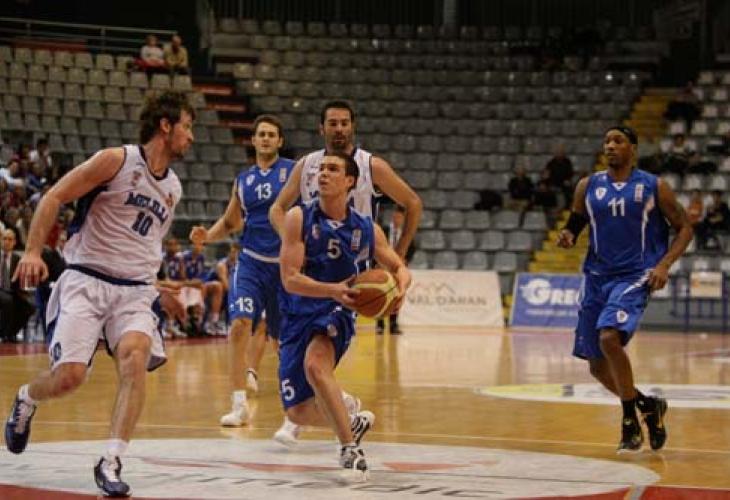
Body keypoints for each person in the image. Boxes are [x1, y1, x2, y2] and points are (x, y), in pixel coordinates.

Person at [4, 90, 194, 497]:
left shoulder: (174, 188)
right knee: (70, 377)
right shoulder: (116, 160)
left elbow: (144, 244)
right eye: (187, 126)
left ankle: (111, 460)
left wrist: (156, 285)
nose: (191, 136)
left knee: (135, 359)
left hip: (135, 292)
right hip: (87, 279)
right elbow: (54, 196)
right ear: (165, 125)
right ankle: (27, 398)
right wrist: (33, 251)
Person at [269, 99, 422, 442]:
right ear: (321, 128)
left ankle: (340, 438)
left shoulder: (370, 166)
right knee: (293, 356)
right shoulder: (307, 165)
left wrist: (398, 257)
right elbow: (277, 209)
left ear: (352, 127)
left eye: (344, 123)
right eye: (332, 123)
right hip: (306, 275)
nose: (338, 129)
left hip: (350, 277)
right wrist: (292, 241)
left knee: (316, 360)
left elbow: (412, 203)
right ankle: (322, 410)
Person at [557, 126, 692, 453]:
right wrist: (569, 234)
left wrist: (664, 265)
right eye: (606, 141)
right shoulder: (587, 186)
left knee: (609, 338)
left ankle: (629, 419)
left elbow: (685, 228)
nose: (610, 146)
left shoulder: (654, 186)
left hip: (635, 274)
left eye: (618, 141)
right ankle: (648, 405)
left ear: (633, 148)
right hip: (596, 276)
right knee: (596, 366)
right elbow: (577, 220)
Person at [278, 151, 411, 478]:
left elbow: (398, 267)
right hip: (299, 309)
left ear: (350, 181)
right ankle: (351, 422)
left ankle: (349, 448)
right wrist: (331, 289)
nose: (323, 173)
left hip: (339, 309)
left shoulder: (366, 228)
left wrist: (400, 286)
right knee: (297, 412)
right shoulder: (298, 218)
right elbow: (290, 279)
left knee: (315, 365)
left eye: (333, 169)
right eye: (321, 168)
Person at [189, 114, 294, 426]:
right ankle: (238, 405)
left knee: (283, 341)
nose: (266, 138)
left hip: (284, 267)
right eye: (261, 134)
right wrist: (207, 236)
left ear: (280, 141)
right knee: (239, 325)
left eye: (271, 134)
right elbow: (231, 222)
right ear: (253, 140)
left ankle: (301, 404)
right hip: (250, 262)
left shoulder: (293, 171)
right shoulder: (243, 180)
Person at [376, 206, 415, 335]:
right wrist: (377, 263)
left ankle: (393, 324)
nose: (397, 219)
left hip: (397, 269)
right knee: (380, 294)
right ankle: (380, 325)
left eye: (400, 217)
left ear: (403, 219)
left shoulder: (406, 235)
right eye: (395, 216)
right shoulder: (384, 230)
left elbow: (413, 247)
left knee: (396, 295)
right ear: (393, 217)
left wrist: (405, 261)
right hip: (382, 266)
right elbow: (376, 246)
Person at [181, 239, 225, 335]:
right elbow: (181, 277)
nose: (198, 247)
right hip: (186, 285)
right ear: (191, 245)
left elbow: (202, 275)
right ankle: (199, 320)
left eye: (200, 245)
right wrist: (193, 282)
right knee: (201, 288)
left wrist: (200, 281)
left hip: (198, 284)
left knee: (217, 286)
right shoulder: (183, 257)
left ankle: (214, 321)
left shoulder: (201, 257)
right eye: (196, 244)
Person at [0, 229, 35, 342]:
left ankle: (11, 333)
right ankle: (4, 334)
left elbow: (21, 280)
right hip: (1, 290)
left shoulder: (18, 259)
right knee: (7, 301)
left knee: (29, 307)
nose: (7, 242)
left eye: (10, 239)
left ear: (14, 242)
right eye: (4, 239)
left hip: (13, 291)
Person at [543, 143, 574, 208]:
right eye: (558, 152)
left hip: (564, 183)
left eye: (561, 153)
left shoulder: (567, 162)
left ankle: (567, 207)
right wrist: (545, 182)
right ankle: (551, 208)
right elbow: (546, 174)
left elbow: (570, 173)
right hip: (553, 183)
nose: (559, 154)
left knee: (569, 190)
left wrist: (568, 180)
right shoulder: (551, 163)